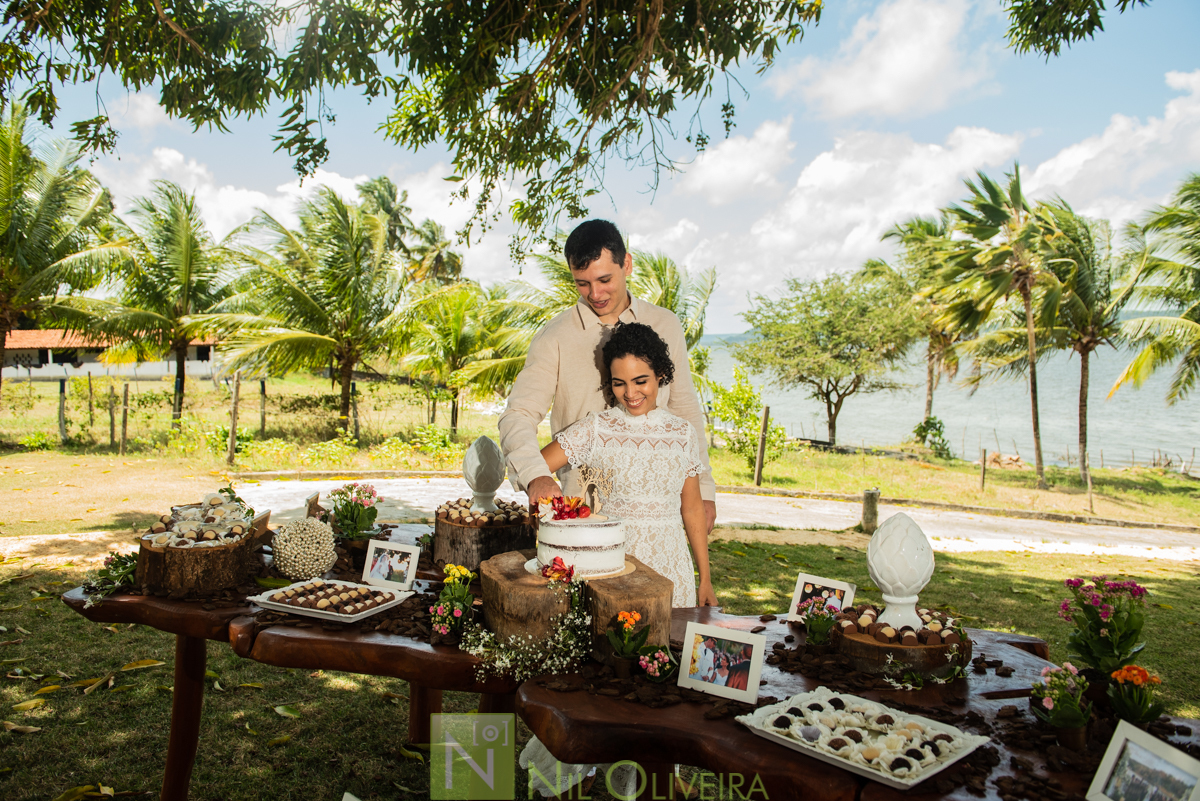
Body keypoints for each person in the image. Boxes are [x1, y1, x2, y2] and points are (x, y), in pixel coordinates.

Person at [498, 219, 717, 537]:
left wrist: (705, 490)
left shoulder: (666, 324)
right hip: (583, 515)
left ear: (626, 264)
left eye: (604, 279)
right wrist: (536, 475)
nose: (595, 294)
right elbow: (517, 415)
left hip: (661, 509)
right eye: (582, 283)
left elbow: (684, 410)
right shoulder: (554, 338)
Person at [538, 321, 716, 608]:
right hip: (614, 567)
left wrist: (705, 579)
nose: (630, 394)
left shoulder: (683, 433)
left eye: (640, 381)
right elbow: (537, 466)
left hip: (672, 568)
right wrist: (548, 494)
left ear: (660, 375)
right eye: (619, 383)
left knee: (670, 649)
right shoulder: (597, 429)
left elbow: (693, 507)